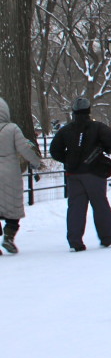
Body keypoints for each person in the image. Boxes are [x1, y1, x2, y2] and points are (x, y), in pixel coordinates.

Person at [49, 97, 111, 251]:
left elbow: (54, 151)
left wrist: (68, 160)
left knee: (75, 207)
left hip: (73, 173)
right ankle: (107, 237)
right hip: (94, 172)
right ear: (88, 111)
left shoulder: (66, 130)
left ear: (74, 112)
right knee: (100, 204)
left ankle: (75, 242)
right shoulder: (98, 127)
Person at [0, 97, 43, 255]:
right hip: (10, 173)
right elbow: (24, 149)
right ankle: (9, 237)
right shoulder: (12, 129)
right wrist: (36, 162)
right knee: (12, 208)